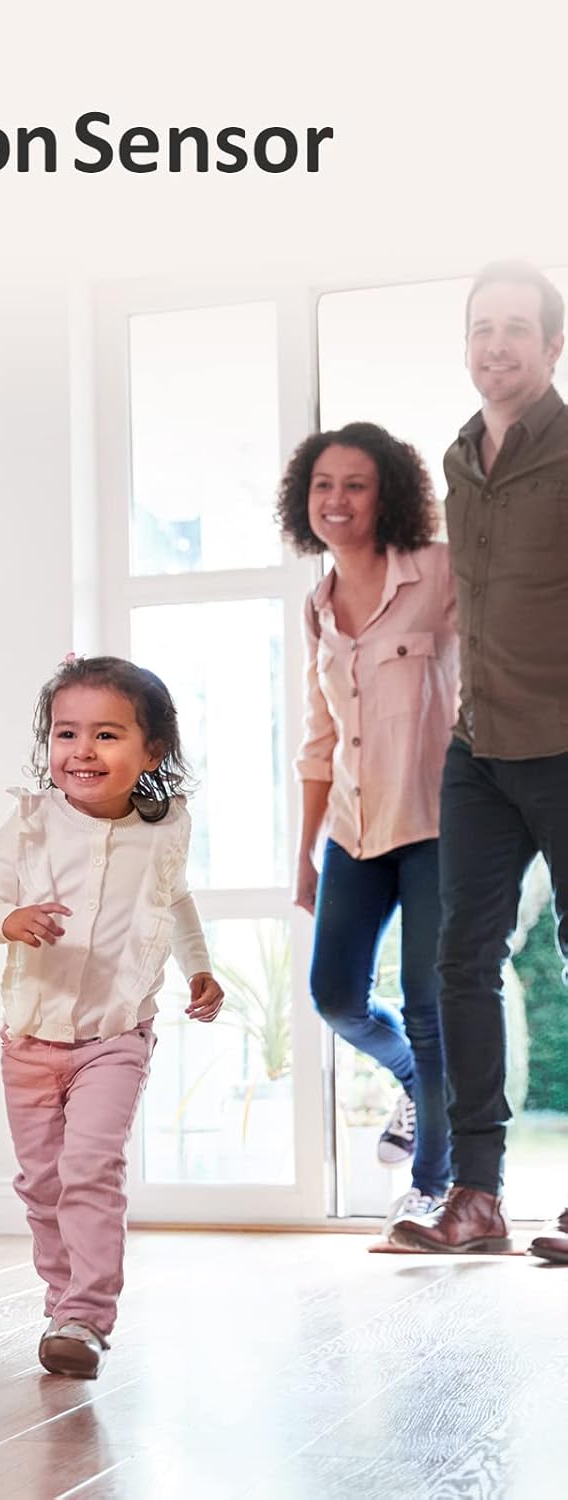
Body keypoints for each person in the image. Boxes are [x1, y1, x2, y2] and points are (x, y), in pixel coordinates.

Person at [0, 655, 222, 1378]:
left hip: (115, 1036)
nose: (81, 751)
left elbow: (173, 902)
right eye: (66, 734)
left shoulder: (165, 827)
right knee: (43, 1182)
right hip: (29, 1041)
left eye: (107, 735)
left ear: (153, 752)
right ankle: (61, 1304)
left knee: (89, 1168)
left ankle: (87, 1313)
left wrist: (198, 966)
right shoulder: (29, 825)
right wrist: (11, 920)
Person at [390, 262, 568, 1261]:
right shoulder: (459, 458)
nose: (495, 345)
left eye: (516, 329)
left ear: (553, 347)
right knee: (462, 960)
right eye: (481, 328)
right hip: (483, 748)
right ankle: (478, 1194)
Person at [277, 423, 457, 1230]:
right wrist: (307, 853)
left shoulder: (440, 573)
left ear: (388, 493)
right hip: (353, 830)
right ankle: (418, 1085)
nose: (337, 500)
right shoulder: (317, 608)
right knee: (336, 995)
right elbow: (317, 739)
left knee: (429, 997)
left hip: (436, 822)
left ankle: (435, 1185)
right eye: (323, 484)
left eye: (355, 483)